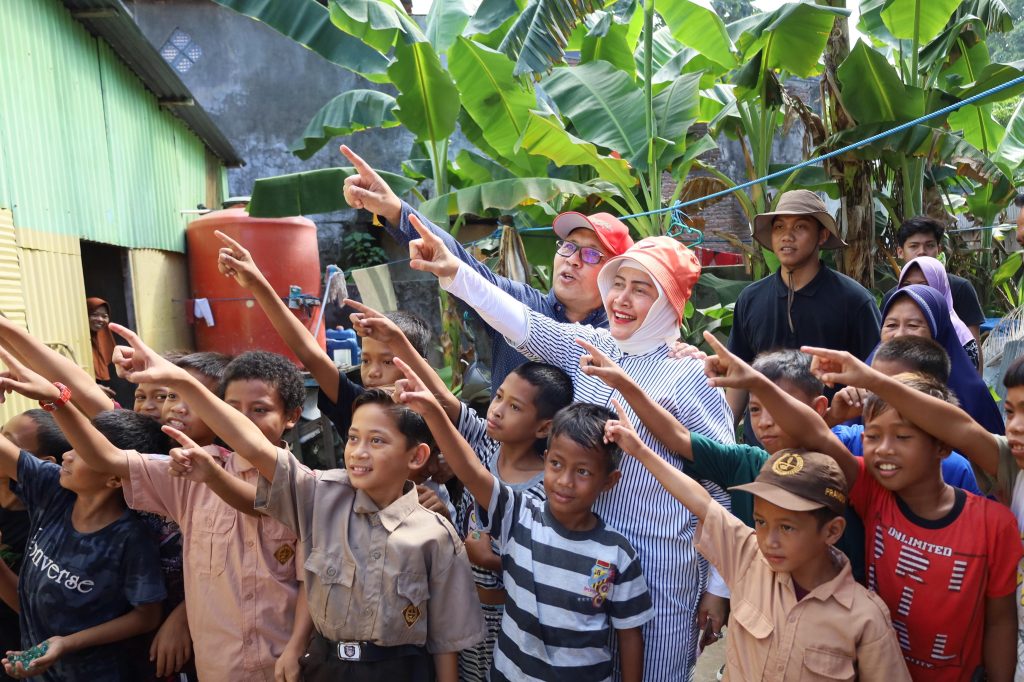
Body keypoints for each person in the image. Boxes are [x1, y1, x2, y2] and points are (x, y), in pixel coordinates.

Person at [410, 215, 733, 680]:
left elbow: (721, 486)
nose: (621, 299)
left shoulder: (691, 376)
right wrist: (454, 273)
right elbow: (525, 326)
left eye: (641, 290)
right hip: (587, 561)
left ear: (668, 304)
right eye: (617, 283)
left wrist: (718, 587)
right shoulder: (597, 347)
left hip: (662, 570)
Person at [108, 325, 484, 681]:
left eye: (377, 441)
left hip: (401, 670)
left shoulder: (435, 535)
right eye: (353, 438)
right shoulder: (320, 496)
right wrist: (177, 380)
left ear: (416, 457)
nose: (358, 452)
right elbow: (252, 443)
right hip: (327, 666)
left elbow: (445, 640)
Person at [714, 339, 1020, 681]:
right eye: (872, 436)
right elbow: (815, 432)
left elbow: (1001, 620)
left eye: (902, 437)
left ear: (942, 444)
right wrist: (757, 383)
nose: (883, 450)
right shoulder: (871, 492)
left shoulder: (994, 523)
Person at [22, 341, 309, 682]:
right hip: (219, 667)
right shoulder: (186, 474)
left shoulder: (305, 486)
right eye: (231, 408)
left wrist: (295, 646)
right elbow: (107, 457)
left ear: (291, 417)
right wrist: (57, 402)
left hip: (285, 666)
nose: (241, 420)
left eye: (259, 409)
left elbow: (307, 577)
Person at [344, 297, 574, 681]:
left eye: (515, 407)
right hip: (464, 608)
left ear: (544, 427)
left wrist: (494, 561)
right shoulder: (485, 443)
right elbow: (441, 396)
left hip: (514, 618)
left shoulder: (545, 487)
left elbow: (544, 559)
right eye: (498, 396)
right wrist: (397, 340)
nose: (497, 410)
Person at [603, 400, 910, 681]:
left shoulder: (866, 618)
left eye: (787, 528)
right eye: (761, 522)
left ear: (832, 531)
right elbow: (700, 501)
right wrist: (641, 451)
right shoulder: (748, 556)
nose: (769, 540)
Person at [394, 357, 653, 682]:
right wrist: (431, 410)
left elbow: (630, 637)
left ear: (609, 481)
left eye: (583, 471)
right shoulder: (520, 513)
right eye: (557, 464)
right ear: (546, 461)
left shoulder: (618, 553)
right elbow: (471, 471)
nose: (565, 481)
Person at [339, 145, 635, 392]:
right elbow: (465, 269)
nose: (572, 259)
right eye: (568, 246)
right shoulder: (520, 304)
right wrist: (394, 210)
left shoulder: (625, 341)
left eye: (592, 255)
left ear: (616, 276)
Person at [0, 363, 168, 680]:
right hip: (38, 667)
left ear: (116, 478)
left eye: (81, 451)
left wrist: (67, 644)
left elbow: (147, 615)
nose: (67, 455)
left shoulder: (131, 539)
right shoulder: (52, 489)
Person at [726, 190, 881, 427]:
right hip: (761, 444)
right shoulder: (750, 299)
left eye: (799, 227)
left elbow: (876, 378)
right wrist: (726, 437)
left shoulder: (854, 300)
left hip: (831, 441)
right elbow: (739, 375)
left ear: (822, 235)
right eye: (779, 227)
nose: (787, 236)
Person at [825, 336, 982, 495]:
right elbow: (804, 449)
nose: (884, 450)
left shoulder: (958, 471)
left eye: (899, 391)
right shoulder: (852, 440)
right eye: (875, 386)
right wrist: (832, 417)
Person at [876, 284, 1004, 435]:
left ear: (938, 330)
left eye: (913, 325)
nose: (899, 334)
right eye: (891, 325)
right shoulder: (867, 381)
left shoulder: (971, 395)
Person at [0, 411, 70, 658]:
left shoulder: (49, 525)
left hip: (17, 646)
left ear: (45, 464)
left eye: (9, 442)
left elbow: (33, 611)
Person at [883, 216, 984, 347]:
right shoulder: (892, 297)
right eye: (914, 246)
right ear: (900, 252)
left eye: (929, 245)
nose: (922, 252)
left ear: (939, 249)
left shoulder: (960, 289)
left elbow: (973, 346)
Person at [890, 256, 980, 369]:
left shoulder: (959, 336)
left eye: (923, 285)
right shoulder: (894, 321)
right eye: (907, 285)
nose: (913, 290)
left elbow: (968, 383)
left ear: (940, 287)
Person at [87, 298, 116, 386]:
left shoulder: (100, 340)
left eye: (104, 316)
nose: (100, 319)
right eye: (94, 314)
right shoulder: (78, 341)